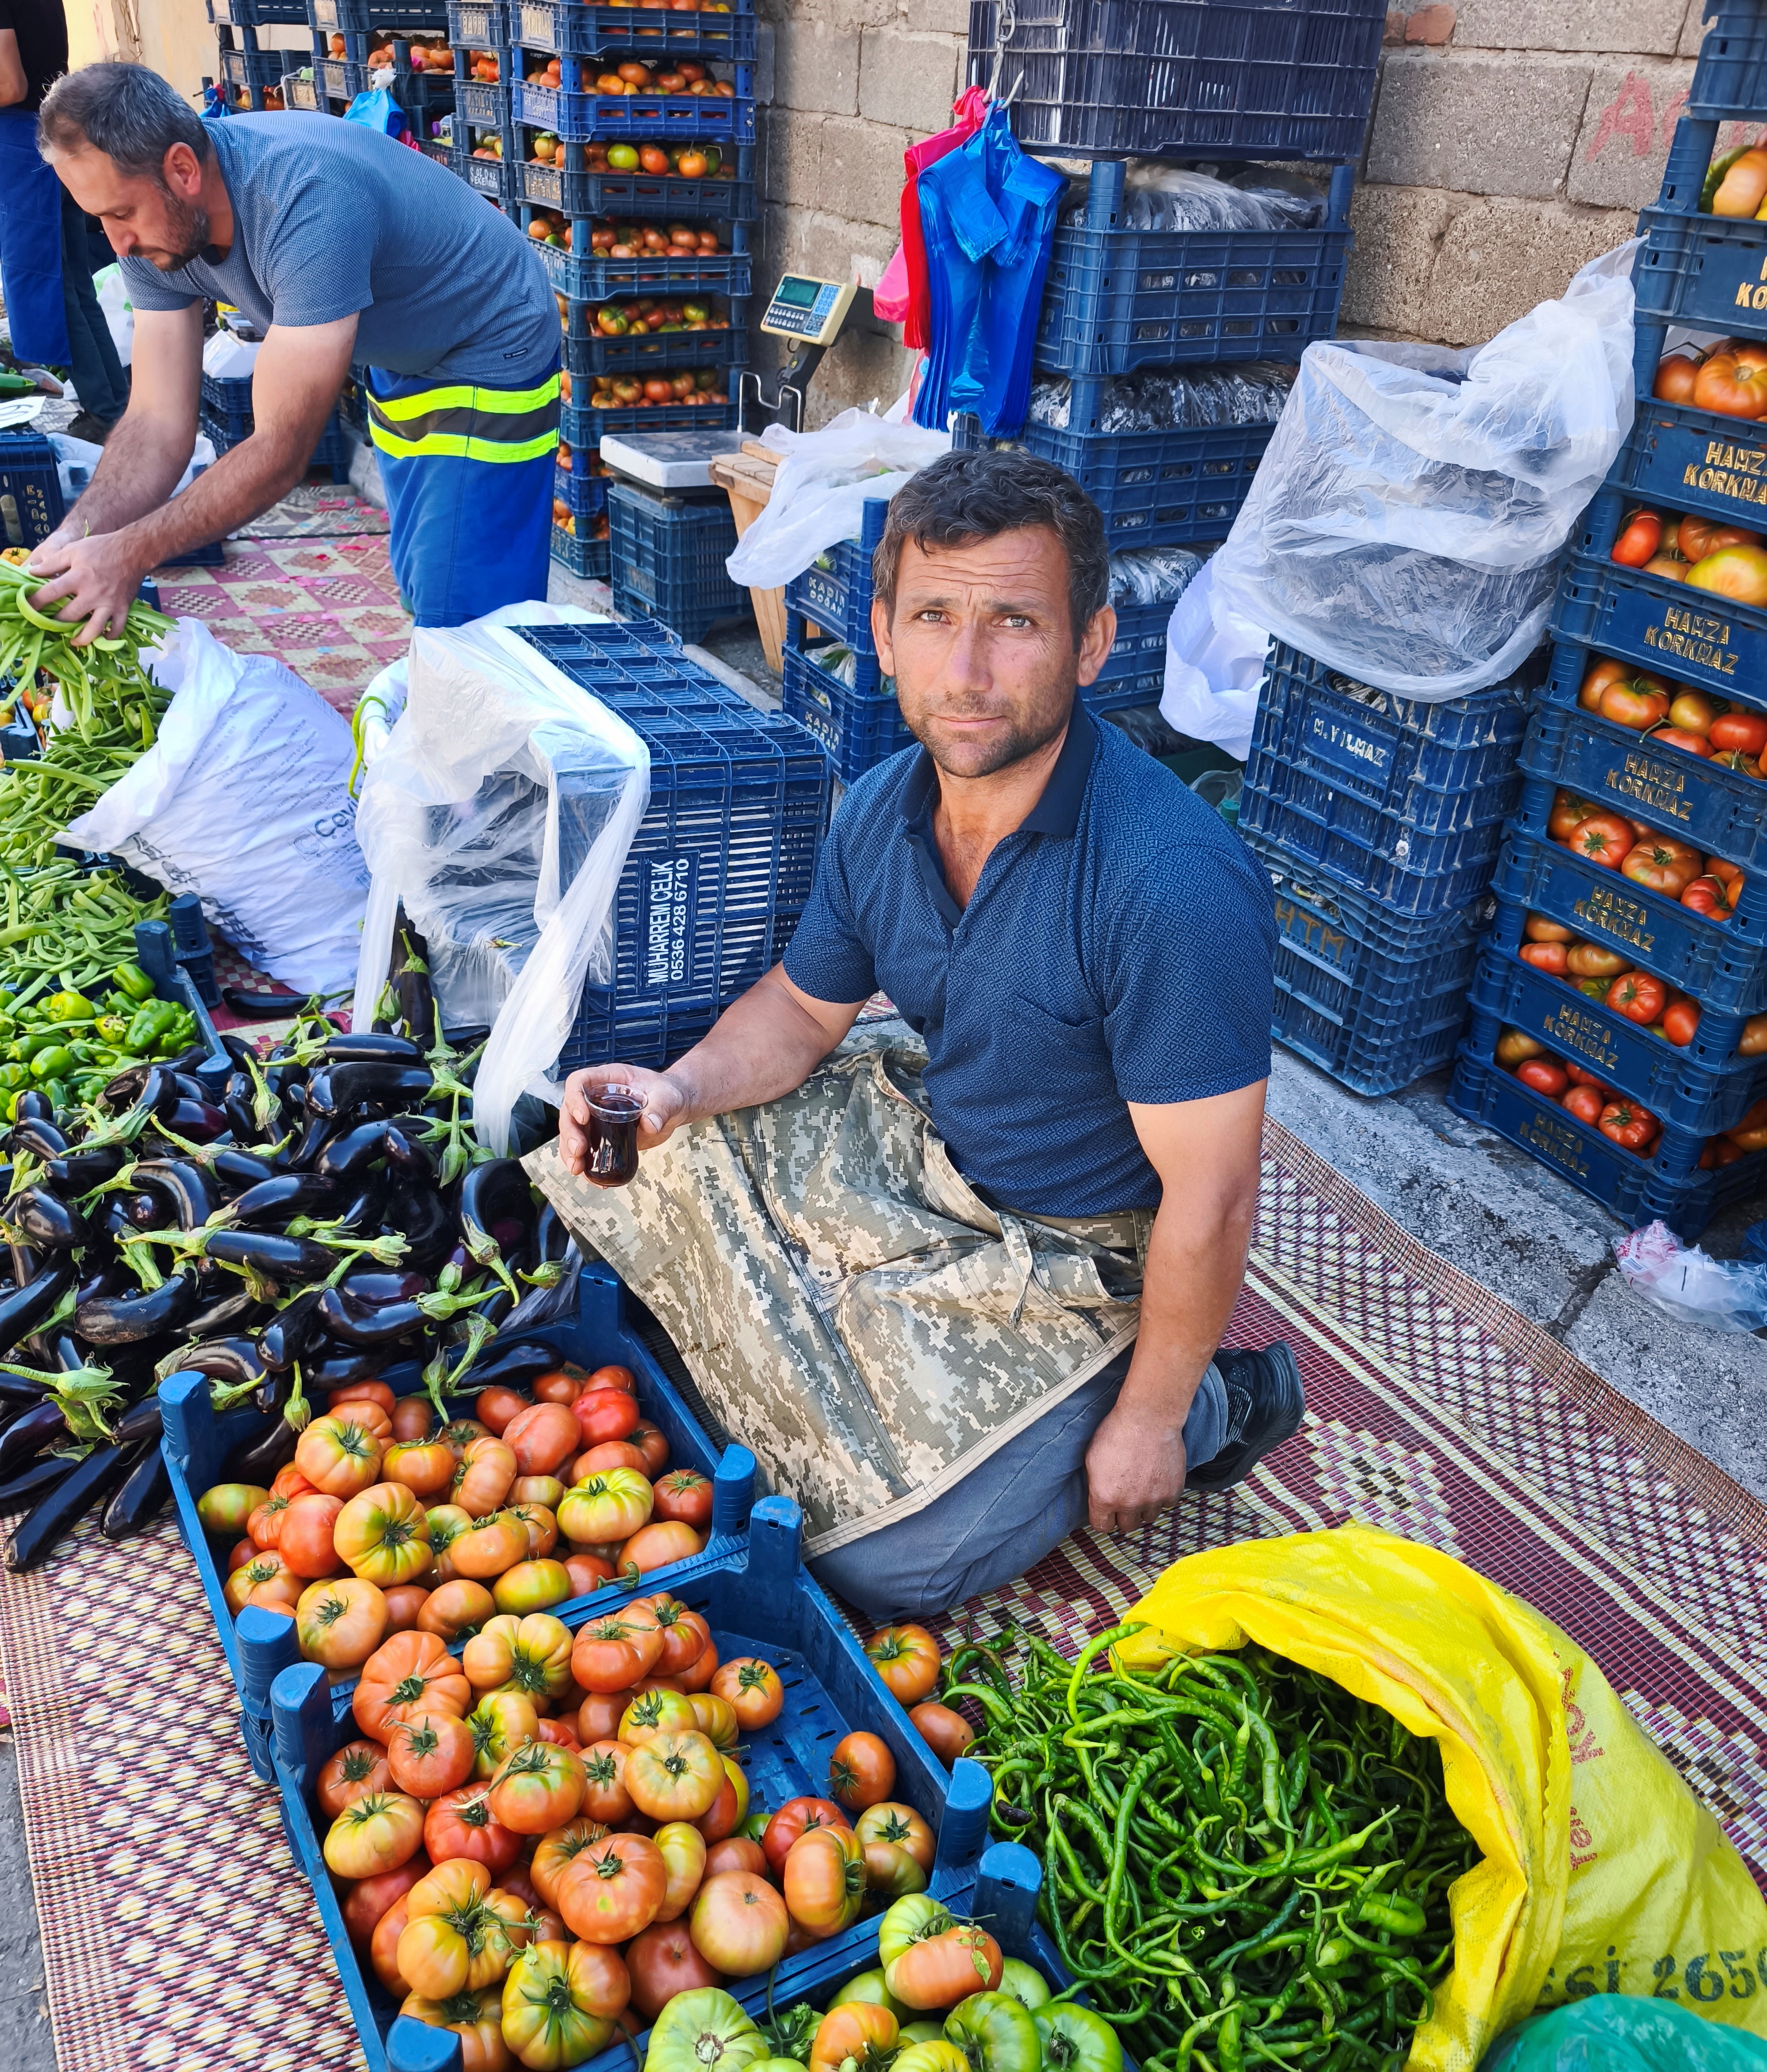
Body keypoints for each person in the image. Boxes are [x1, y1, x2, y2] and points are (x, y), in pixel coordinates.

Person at [534, 447, 1300, 1620]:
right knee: (609, 1168)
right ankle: (854, 1301)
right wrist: (676, 1087)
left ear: (1091, 645)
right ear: (882, 634)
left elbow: (1215, 1196)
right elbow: (799, 1013)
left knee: (880, 1561)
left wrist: (1152, 1419)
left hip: (1082, 1245)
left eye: (1015, 623)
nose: (969, 668)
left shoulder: (1168, 881)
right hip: (934, 1144)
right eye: (935, 616)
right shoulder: (888, 803)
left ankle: (1218, 1403)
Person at [23, 61, 559, 637]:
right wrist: (75, 536)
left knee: (467, 611)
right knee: (428, 577)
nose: (118, 243)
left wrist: (129, 553)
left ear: (182, 170)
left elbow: (280, 451)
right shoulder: (155, 236)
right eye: (99, 218)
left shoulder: (306, 202)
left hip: (490, 336)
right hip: (402, 349)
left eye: (122, 213)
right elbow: (155, 422)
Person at [0, 1, 129, 442]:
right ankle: (112, 404)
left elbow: (9, 83)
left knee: (49, 287)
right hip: (52, 136)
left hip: (22, 147)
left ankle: (105, 409)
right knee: (73, 284)